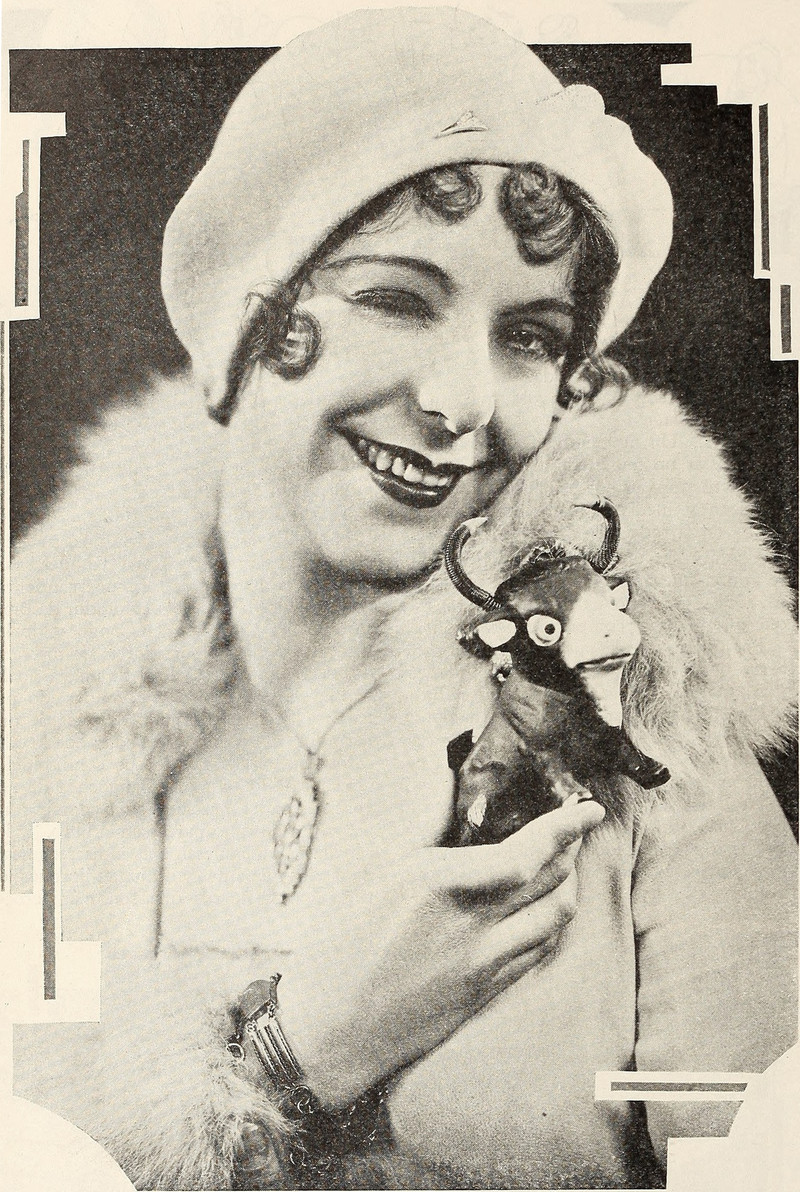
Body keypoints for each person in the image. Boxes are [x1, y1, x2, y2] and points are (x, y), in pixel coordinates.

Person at [10, 8, 797, 1190]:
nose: (461, 400)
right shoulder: (44, 741)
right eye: (396, 298)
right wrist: (297, 1054)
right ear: (247, 312)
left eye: (528, 337)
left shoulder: (636, 724)